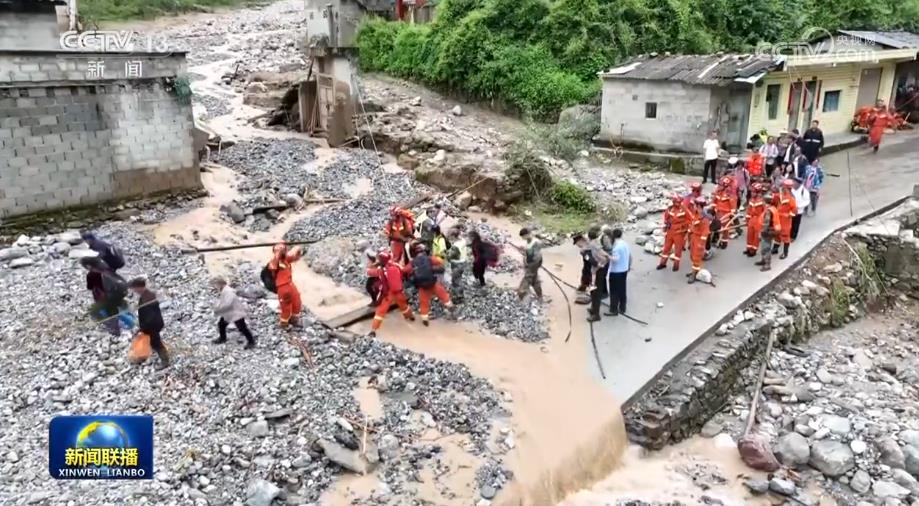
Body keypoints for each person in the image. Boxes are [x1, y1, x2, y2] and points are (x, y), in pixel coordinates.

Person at [367, 248, 415, 337]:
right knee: (404, 306)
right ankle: (410, 317)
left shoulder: (381, 270)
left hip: (388, 293)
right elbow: (404, 270)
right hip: (399, 291)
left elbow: (371, 273)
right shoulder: (396, 265)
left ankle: (373, 330)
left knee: (380, 311)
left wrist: (370, 267)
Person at [405, 244, 455, 326]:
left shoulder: (413, 262)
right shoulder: (429, 258)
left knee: (423, 302)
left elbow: (405, 270)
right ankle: (449, 305)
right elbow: (440, 262)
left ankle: (425, 319)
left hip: (422, 286)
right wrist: (434, 267)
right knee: (442, 293)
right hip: (432, 282)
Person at [80, 256, 129, 336]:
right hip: (119, 293)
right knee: (114, 310)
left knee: (96, 312)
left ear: (88, 266)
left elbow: (90, 288)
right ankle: (119, 321)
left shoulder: (92, 275)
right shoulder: (107, 267)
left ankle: (114, 331)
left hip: (108, 297)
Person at [128, 277, 170, 368]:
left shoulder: (148, 297)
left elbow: (150, 316)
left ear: (139, 287)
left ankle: (165, 362)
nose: (134, 291)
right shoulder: (146, 295)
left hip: (153, 326)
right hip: (152, 325)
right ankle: (163, 355)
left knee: (156, 343)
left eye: (134, 288)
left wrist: (144, 328)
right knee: (154, 342)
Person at [212, 277, 256, 349]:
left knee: (242, 328)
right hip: (229, 313)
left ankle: (251, 342)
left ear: (221, 284)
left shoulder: (228, 292)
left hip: (236, 313)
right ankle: (222, 338)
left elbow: (228, 304)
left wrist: (219, 309)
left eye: (216, 285)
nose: (215, 287)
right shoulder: (224, 290)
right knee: (221, 324)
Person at [268, 243, 303, 329]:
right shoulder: (274, 262)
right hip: (283, 286)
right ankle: (284, 324)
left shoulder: (284, 259)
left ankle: (294, 319)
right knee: (286, 305)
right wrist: (279, 251)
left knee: (297, 300)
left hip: (289, 284)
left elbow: (293, 257)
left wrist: (297, 250)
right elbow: (273, 266)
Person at [578, 229, 610, 322]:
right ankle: (593, 309)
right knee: (593, 290)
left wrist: (585, 255)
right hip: (599, 269)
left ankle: (596, 314)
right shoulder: (596, 243)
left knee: (596, 292)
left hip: (598, 270)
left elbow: (589, 259)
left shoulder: (590, 247)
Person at [657, 194, 689, 271]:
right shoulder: (670, 208)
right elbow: (666, 217)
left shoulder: (684, 209)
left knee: (678, 250)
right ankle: (662, 263)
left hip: (679, 233)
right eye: (675, 202)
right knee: (666, 248)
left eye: (678, 202)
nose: (677, 203)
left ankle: (676, 265)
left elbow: (690, 220)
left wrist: (686, 231)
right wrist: (665, 226)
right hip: (670, 231)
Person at [606, 228, 631, 316]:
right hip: (624, 269)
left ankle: (613, 309)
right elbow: (629, 256)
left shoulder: (616, 247)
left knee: (614, 291)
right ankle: (622, 307)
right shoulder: (625, 244)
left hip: (616, 271)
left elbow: (615, 259)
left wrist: (607, 256)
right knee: (622, 289)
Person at [687, 197, 711, 284]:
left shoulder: (705, 219)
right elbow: (692, 225)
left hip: (699, 240)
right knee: (692, 255)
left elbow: (705, 233)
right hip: (694, 237)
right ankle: (694, 270)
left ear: (699, 207)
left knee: (697, 257)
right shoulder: (696, 215)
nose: (694, 207)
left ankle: (694, 273)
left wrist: (701, 244)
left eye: (695, 206)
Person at [754, 193, 781, 272]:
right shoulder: (772, 208)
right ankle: (763, 260)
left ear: (765, 201)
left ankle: (767, 264)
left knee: (766, 248)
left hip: (767, 232)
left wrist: (761, 232)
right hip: (771, 231)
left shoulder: (768, 211)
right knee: (765, 247)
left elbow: (766, 223)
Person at [517, 228, 543, 302]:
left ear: (527, 234)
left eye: (523, 237)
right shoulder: (529, 241)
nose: (522, 239)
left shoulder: (536, 243)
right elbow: (529, 251)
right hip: (530, 264)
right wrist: (524, 251)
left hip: (532, 265)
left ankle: (521, 294)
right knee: (535, 280)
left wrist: (530, 265)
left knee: (527, 279)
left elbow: (537, 256)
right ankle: (540, 297)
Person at [446, 226, 469, 303]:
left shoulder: (456, 246)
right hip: (463, 262)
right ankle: (459, 295)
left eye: (450, 236)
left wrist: (445, 254)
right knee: (459, 279)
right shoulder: (463, 240)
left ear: (453, 236)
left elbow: (450, 256)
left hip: (457, 264)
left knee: (456, 281)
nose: (449, 238)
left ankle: (458, 297)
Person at [712, 177, 736, 249]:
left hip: (726, 214)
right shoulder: (719, 192)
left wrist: (732, 214)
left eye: (721, 185)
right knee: (716, 227)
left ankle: (724, 242)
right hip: (718, 213)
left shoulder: (730, 194)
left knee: (725, 229)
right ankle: (715, 240)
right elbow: (714, 201)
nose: (719, 186)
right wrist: (712, 208)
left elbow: (733, 205)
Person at [775, 180, 797, 259]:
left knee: (785, 236)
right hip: (778, 218)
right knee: (777, 234)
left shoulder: (791, 198)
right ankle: (775, 248)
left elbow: (794, 210)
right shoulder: (781, 195)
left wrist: (788, 215)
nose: (783, 188)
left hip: (786, 221)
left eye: (784, 187)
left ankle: (785, 253)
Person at [744, 183, 766, 257]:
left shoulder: (762, 201)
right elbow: (748, 210)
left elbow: (765, 212)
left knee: (756, 236)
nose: (752, 193)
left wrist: (763, 222)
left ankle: (753, 250)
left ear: (758, 192)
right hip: (752, 219)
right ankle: (748, 248)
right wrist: (747, 219)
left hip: (758, 220)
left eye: (753, 192)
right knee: (749, 235)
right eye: (752, 192)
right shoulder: (751, 200)